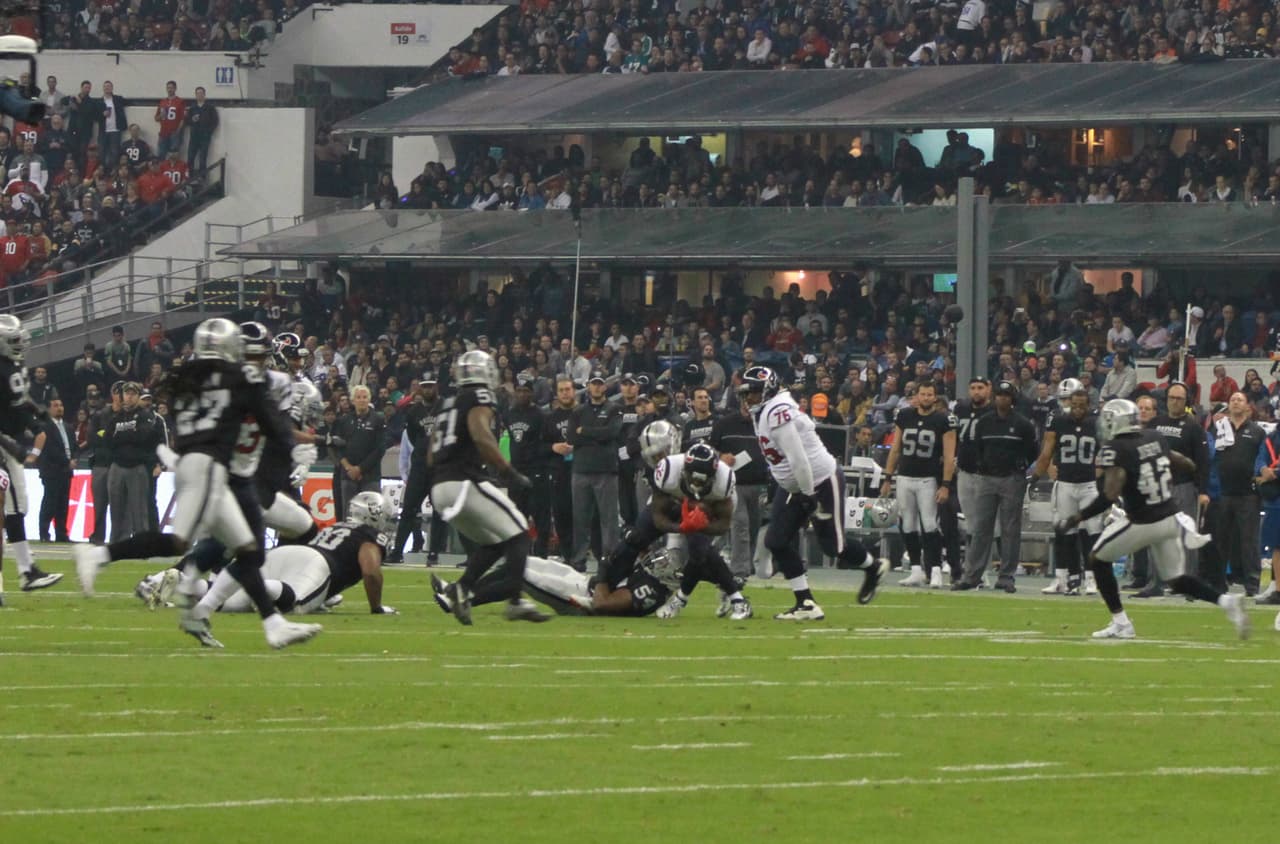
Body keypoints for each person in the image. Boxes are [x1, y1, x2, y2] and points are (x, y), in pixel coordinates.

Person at [75, 318, 322, 651]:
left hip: (220, 470)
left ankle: (212, 613)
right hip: (212, 470)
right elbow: (264, 423)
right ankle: (105, 558)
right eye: (251, 356)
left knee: (242, 550)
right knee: (202, 544)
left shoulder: (202, 381)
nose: (257, 363)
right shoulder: (236, 383)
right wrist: (293, 445)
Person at [1056, 399, 1246, 640]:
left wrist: (1076, 518)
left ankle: (1121, 622)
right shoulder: (1154, 437)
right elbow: (1185, 463)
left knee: (1097, 559)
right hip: (1170, 516)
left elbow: (1108, 496)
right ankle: (1227, 601)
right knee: (1176, 580)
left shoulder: (1116, 449)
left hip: (1143, 521)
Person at [740, 365, 884, 620]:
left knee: (833, 548)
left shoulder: (777, 411)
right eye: (746, 392)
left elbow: (799, 458)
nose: (748, 398)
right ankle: (806, 603)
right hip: (796, 485)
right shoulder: (766, 409)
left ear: (768, 390)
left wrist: (808, 494)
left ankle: (873, 566)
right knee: (776, 540)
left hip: (819, 480)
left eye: (753, 392)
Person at [429, 350, 546, 625]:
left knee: (496, 541)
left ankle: (460, 588)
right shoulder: (479, 396)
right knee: (520, 532)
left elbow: (430, 455)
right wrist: (508, 472)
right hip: (462, 482)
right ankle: (515, 600)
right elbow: (481, 435)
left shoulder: (448, 402)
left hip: (439, 487)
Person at [0, 315, 64, 600]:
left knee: (16, 506)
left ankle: (26, 570)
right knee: (13, 505)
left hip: (8, 441)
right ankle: (26, 571)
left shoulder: (12, 367)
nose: (19, 345)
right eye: (13, 341)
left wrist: (36, 414)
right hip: (3, 443)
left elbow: (18, 402)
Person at [954, 379, 1037, 592]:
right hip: (987, 478)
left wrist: (1022, 467)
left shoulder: (1022, 424)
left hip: (1011, 478)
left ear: (1013, 400)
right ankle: (972, 576)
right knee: (981, 528)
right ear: (995, 397)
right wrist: (983, 465)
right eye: (999, 395)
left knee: (1010, 529)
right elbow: (977, 448)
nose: (1002, 399)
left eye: (1007, 396)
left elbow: (1032, 450)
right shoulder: (985, 422)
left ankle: (1007, 575)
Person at [881, 379, 956, 589]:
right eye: (922, 394)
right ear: (916, 396)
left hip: (928, 479)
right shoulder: (904, 415)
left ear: (935, 397)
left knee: (930, 525)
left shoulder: (943, 419)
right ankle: (916, 569)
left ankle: (935, 570)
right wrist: (888, 477)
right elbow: (895, 448)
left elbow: (949, 456)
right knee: (908, 525)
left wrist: (945, 484)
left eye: (929, 394)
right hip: (904, 476)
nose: (926, 398)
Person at [1031, 381, 1101, 596]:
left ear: (1088, 405)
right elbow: (1047, 451)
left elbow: (1108, 454)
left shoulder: (1097, 423)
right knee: (1065, 532)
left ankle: (1092, 578)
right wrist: (1035, 475)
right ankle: (1064, 578)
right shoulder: (1059, 421)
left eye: (1082, 405)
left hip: (1089, 484)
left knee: (1092, 532)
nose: (1078, 409)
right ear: (1069, 403)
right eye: (1075, 404)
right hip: (1066, 483)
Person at [1206, 391, 1264, 596]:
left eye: (1240, 399)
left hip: (1248, 494)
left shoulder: (1256, 431)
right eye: (1233, 400)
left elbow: (1262, 458)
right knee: (1221, 540)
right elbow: (1210, 456)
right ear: (1228, 406)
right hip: (1223, 492)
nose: (1236, 402)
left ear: (1248, 406)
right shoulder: (1219, 429)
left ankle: (1252, 583)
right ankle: (1218, 582)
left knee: (1249, 541)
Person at [710, 392, 770, 580]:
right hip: (734, 484)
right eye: (746, 401)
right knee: (740, 526)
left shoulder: (764, 424)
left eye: (753, 401)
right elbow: (709, 449)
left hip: (760, 484)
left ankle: (748, 565)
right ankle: (739, 571)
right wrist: (721, 457)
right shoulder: (724, 424)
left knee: (753, 526)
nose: (748, 405)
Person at [569, 371, 623, 571]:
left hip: (606, 470)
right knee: (580, 518)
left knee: (608, 519)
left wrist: (586, 431)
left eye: (600, 384)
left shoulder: (615, 409)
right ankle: (578, 560)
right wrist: (597, 435)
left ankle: (610, 560)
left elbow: (612, 433)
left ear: (605, 386)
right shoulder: (578, 411)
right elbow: (572, 438)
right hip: (581, 469)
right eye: (594, 384)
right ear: (589, 386)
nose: (597, 387)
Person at [387, 376, 443, 565]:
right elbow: (411, 436)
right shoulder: (414, 411)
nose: (427, 390)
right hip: (419, 466)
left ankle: (434, 553)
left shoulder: (445, 409)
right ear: (420, 389)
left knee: (439, 511)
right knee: (408, 510)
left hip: (439, 466)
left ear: (436, 387)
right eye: (424, 387)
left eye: (430, 387)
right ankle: (397, 552)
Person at [951, 376, 992, 577]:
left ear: (988, 389)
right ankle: (972, 568)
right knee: (971, 523)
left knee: (983, 524)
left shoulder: (994, 411)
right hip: (965, 471)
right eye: (973, 388)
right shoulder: (961, 410)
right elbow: (953, 437)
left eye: (980, 388)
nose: (977, 392)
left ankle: (980, 569)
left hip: (986, 474)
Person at [31, 396, 76, 543]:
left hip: (66, 471)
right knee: (50, 502)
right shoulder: (45, 427)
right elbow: (50, 449)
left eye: (61, 405)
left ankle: (61, 533)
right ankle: (44, 533)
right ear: (49, 409)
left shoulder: (69, 427)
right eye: (56, 405)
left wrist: (73, 459)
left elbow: (73, 445)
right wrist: (67, 461)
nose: (59, 408)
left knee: (63, 504)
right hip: (51, 470)